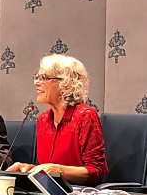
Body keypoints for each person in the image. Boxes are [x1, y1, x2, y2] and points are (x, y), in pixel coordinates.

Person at [7, 54, 108, 185]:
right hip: (49, 192)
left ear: (65, 84)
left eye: (44, 78)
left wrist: (57, 169)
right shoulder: (43, 120)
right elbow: (47, 169)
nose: (36, 82)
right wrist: (28, 169)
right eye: (37, 77)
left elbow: (97, 170)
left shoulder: (85, 116)